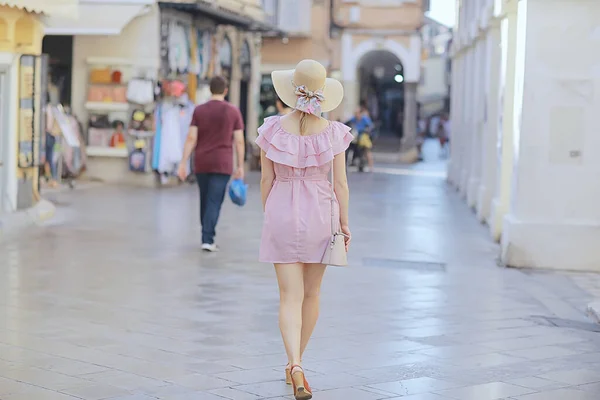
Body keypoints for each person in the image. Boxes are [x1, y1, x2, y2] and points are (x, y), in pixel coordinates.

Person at [256, 59, 352, 400]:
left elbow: (266, 180)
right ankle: (296, 364)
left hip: (281, 209)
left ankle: (295, 363)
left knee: (288, 296)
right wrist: (344, 223)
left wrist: (271, 213)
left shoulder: (271, 129)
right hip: (320, 215)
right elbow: (339, 183)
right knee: (311, 295)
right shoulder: (334, 132)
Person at [177, 76, 245, 252]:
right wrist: (240, 165)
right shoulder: (233, 111)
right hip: (222, 163)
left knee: (205, 200)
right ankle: (208, 239)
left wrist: (183, 162)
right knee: (214, 201)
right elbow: (239, 141)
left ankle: (206, 235)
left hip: (202, 162)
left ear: (210, 90)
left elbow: (191, 137)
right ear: (225, 90)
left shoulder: (199, 110)